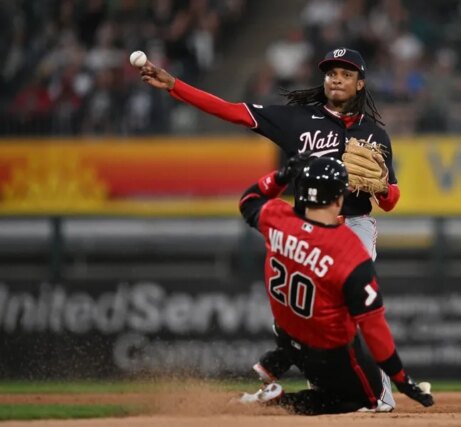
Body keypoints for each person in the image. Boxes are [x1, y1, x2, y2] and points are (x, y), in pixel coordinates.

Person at [139, 47, 399, 260]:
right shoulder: (297, 120)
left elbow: (390, 202)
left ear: (360, 83)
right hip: (308, 220)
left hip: (354, 223)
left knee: (352, 280)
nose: (337, 79)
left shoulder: (375, 135)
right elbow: (231, 111)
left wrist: (383, 189)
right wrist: (174, 85)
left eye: (346, 74)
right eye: (332, 73)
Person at [236, 153, 433, 415]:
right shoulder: (349, 250)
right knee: (367, 398)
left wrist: (281, 176)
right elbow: (373, 327)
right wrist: (402, 380)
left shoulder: (277, 217)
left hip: (287, 332)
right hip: (325, 350)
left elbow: (249, 200)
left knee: (309, 323)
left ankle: (278, 361)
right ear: (340, 198)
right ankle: (278, 397)